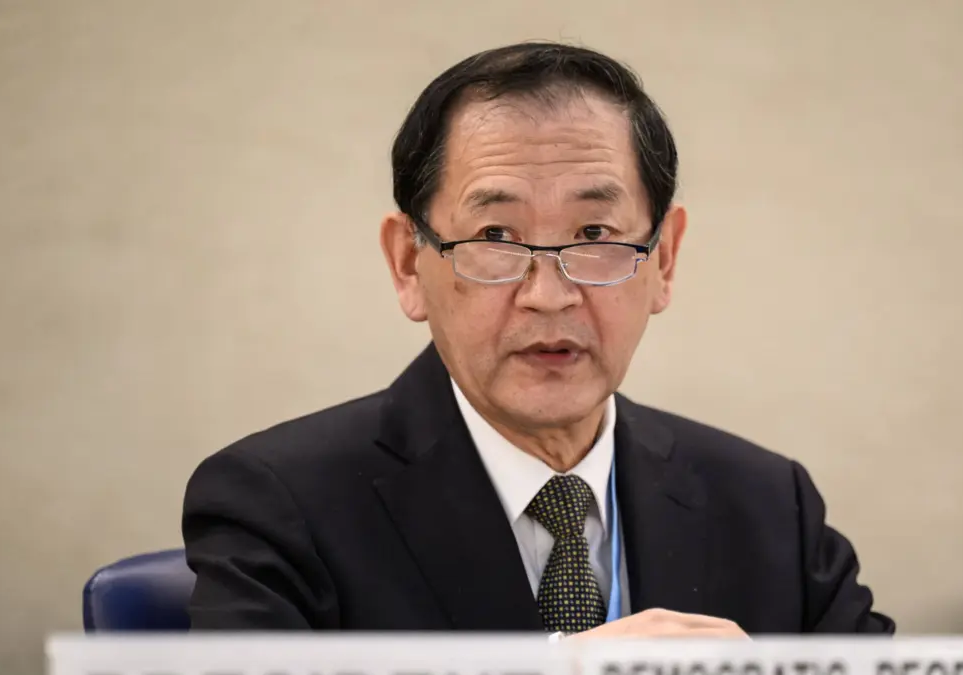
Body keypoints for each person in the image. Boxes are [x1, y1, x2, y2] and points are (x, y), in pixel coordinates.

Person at [182, 42, 894, 638]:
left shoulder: (769, 506)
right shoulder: (280, 504)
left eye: (594, 234)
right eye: (495, 235)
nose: (549, 295)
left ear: (666, 260)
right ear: (407, 264)